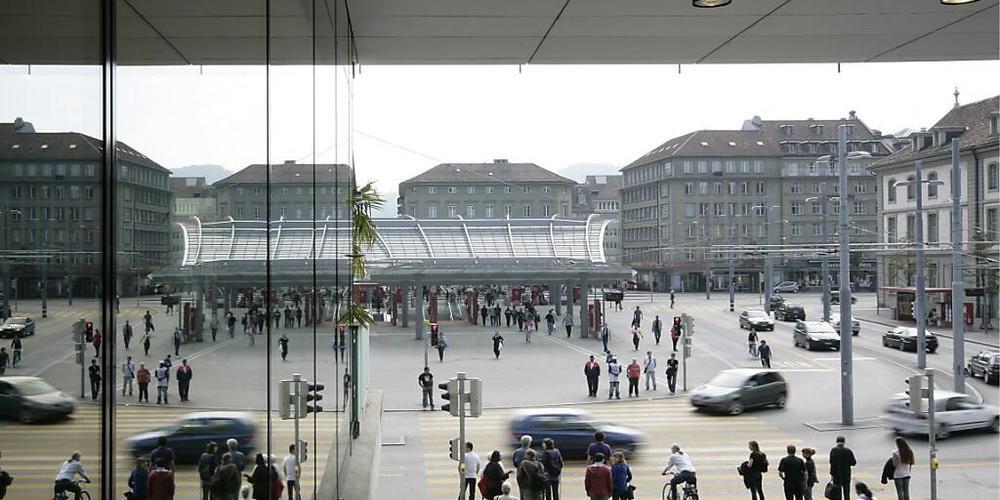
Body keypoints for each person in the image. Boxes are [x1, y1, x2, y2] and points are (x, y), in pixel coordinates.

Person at [829, 436, 857, 500]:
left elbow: (831, 462)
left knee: (837, 491)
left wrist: (832, 473)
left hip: (836, 474)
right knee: (846, 490)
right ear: (844, 442)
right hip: (846, 473)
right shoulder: (848, 451)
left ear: (836, 441)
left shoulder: (833, 451)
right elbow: (853, 463)